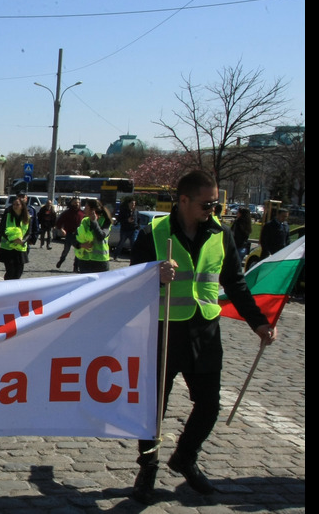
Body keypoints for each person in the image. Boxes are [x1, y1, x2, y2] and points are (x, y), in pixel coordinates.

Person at [129, 169, 275, 505]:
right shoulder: (153, 232)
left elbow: (235, 283)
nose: (214, 210)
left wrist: (259, 323)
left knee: (209, 405)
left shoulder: (220, 235)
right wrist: (153, 275)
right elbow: (128, 282)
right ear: (183, 200)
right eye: (207, 204)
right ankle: (148, 466)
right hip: (164, 331)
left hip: (205, 332)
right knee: (153, 409)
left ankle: (184, 456)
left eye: (215, 204)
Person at [73, 198, 112, 273]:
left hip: (100, 262)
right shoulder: (84, 221)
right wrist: (81, 245)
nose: (84, 209)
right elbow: (73, 238)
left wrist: (94, 222)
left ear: (93, 210)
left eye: (86, 207)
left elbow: (101, 236)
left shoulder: (106, 221)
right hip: (84, 261)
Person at [0, 196, 30, 280]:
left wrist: (23, 241)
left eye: (17, 204)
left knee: (18, 272)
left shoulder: (27, 217)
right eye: (14, 204)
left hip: (20, 249)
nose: (15, 206)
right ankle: (7, 289)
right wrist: (12, 239)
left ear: (22, 206)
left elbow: (29, 232)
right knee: (10, 272)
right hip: (8, 248)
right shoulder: (8, 215)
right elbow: (1, 230)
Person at [54, 198, 84, 271]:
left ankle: (76, 267)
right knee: (66, 250)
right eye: (75, 202)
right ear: (71, 203)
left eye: (78, 202)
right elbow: (59, 223)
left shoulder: (82, 213)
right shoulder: (67, 213)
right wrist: (62, 229)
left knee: (78, 250)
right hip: (69, 234)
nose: (76, 204)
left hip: (79, 235)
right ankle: (61, 260)